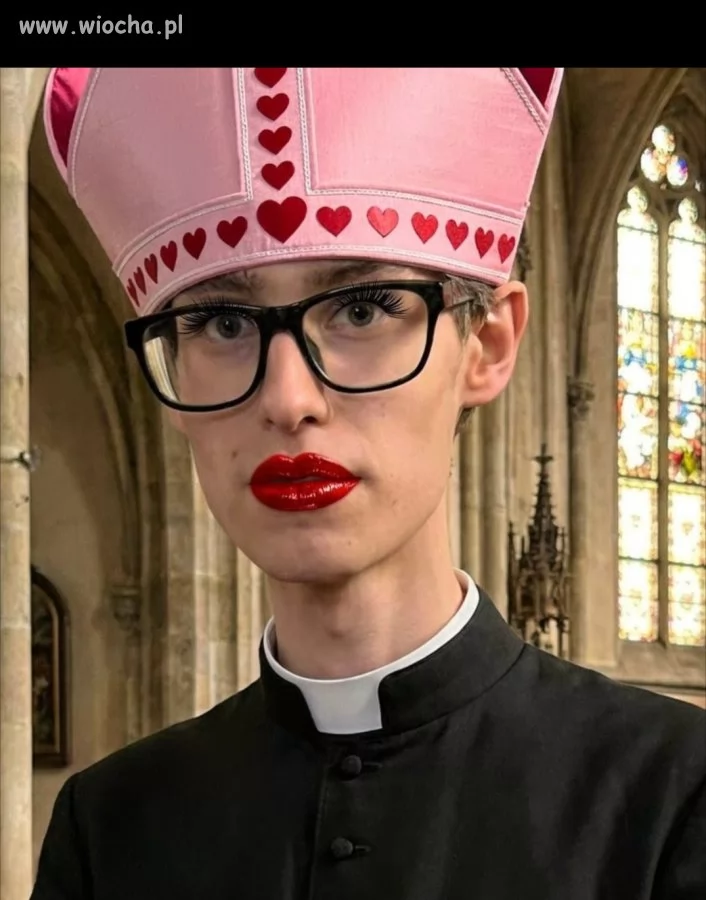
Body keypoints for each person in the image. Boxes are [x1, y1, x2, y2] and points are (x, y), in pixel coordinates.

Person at [32, 67, 704, 900]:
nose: (288, 399)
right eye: (223, 322)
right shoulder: (108, 831)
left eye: (360, 309)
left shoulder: (673, 800)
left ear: (487, 346)